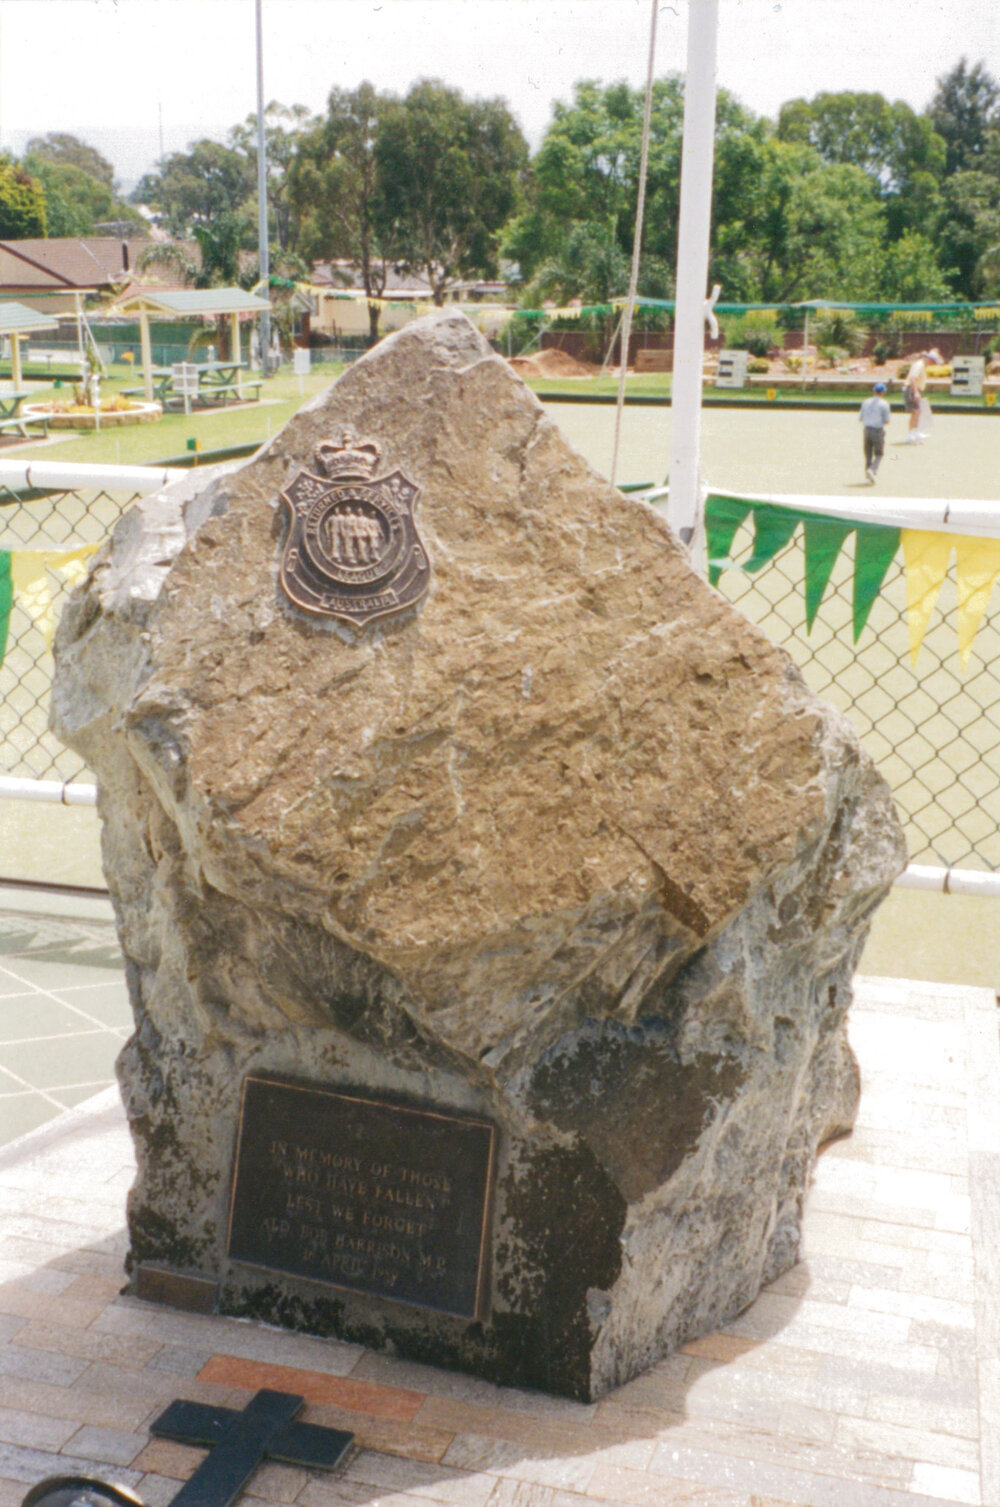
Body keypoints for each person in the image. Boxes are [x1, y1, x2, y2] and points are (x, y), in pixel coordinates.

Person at [859, 382, 891, 483]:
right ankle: (872, 469)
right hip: (877, 430)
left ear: (874, 391)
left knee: (868, 454)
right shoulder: (884, 404)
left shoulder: (865, 402)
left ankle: (867, 478)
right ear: (883, 392)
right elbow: (887, 421)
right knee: (879, 453)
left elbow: (861, 418)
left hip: (866, 430)